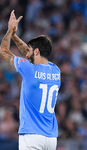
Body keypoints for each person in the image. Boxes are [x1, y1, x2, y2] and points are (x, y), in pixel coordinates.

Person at [0, 10, 61, 150]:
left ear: (37, 51)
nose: (26, 53)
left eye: (30, 50)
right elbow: (30, 52)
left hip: (32, 136)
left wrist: (10, 31)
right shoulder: (56, 70)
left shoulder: (29, 70)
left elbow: (3, 50)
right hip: (51, 138)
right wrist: (15, 35)